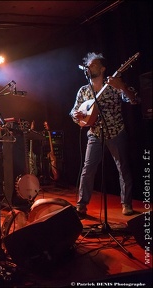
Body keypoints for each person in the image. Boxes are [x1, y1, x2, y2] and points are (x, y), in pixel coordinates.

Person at [69, 52, 139, 218]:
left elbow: (134, 100)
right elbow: (73, 111)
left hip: (116, 131)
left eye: (93, 64)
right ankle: (81, 205)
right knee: (88, 170)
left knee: (123, 169)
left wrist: (121, 86)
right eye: (88, 65)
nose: (89, 67)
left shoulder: (114, 85)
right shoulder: (84, 90)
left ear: (102, 68)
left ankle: (126, 203)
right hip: (95, 134)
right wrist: (77, 115)